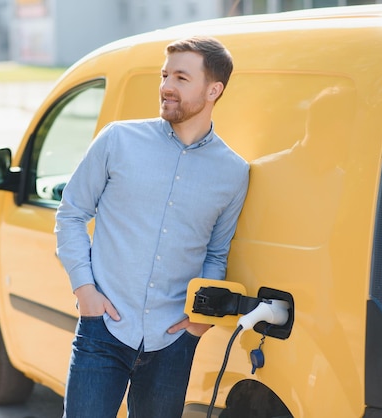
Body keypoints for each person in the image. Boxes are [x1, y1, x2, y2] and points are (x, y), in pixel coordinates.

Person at [55, 35, 250, 418]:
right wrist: (85, 291)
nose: (165, 87)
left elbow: (216, 252)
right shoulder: (118, 141)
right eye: (164, 75)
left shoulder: (233, 172)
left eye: (180, 77)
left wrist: (198, 321)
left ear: (214, 89)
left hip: (173, 342)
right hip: (103, 331)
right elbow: (71, 212)